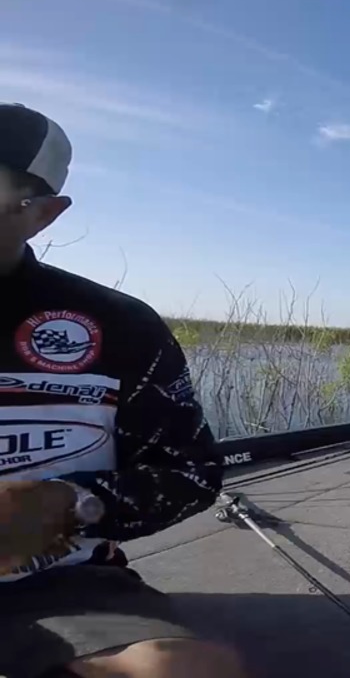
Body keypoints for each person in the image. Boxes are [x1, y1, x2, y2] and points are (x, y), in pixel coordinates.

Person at [0, 104, 246, 678]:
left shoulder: (119, 325)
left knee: (179, 670)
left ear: (41, 215)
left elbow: (191, 473)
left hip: (57, 585)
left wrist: (73, 502)